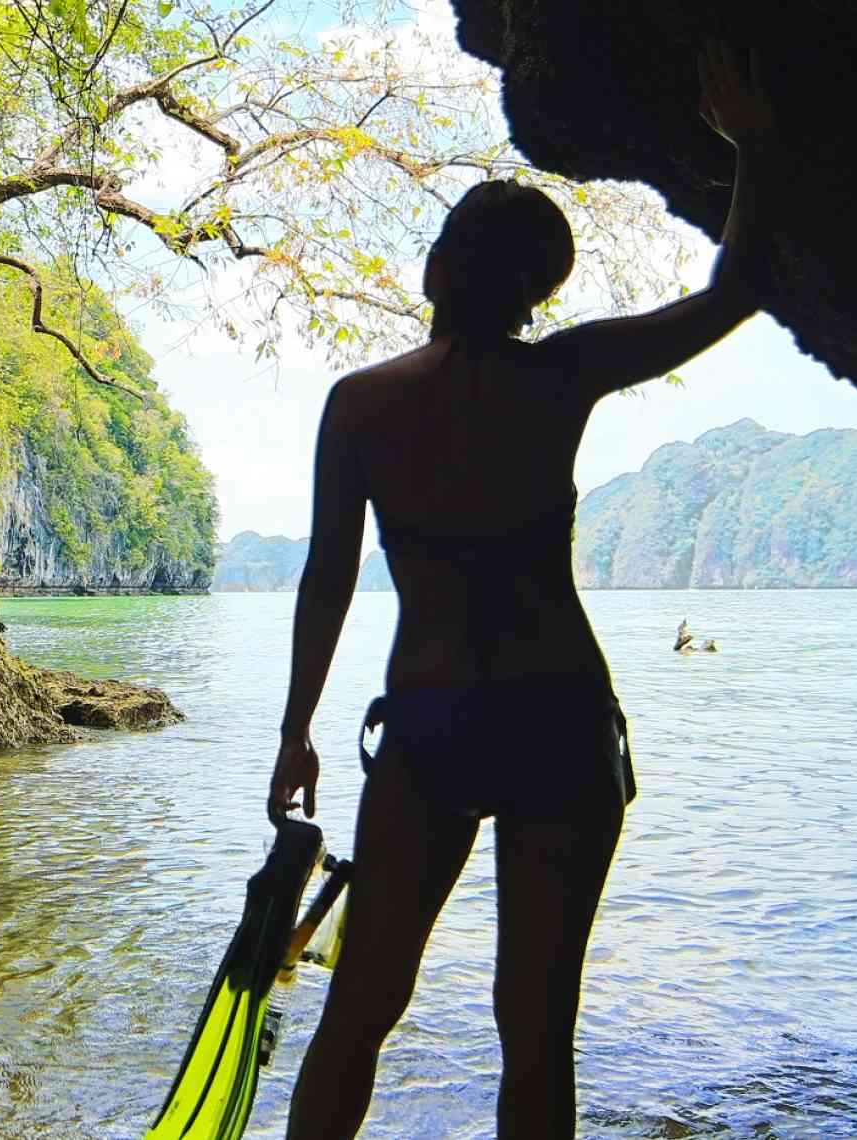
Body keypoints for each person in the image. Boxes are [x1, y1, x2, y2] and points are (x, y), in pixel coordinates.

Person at [270, 42, 776, 1140]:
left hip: (435, 719)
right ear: (537, 291)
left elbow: (330, 574)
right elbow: (735, 293)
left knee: (360, 1007)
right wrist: (750, 147)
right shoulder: (562, 375)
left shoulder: (360, 405)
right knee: (537, 1023)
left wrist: (297, 729)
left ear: (446, 264)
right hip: (556, 715)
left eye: (440, 239)